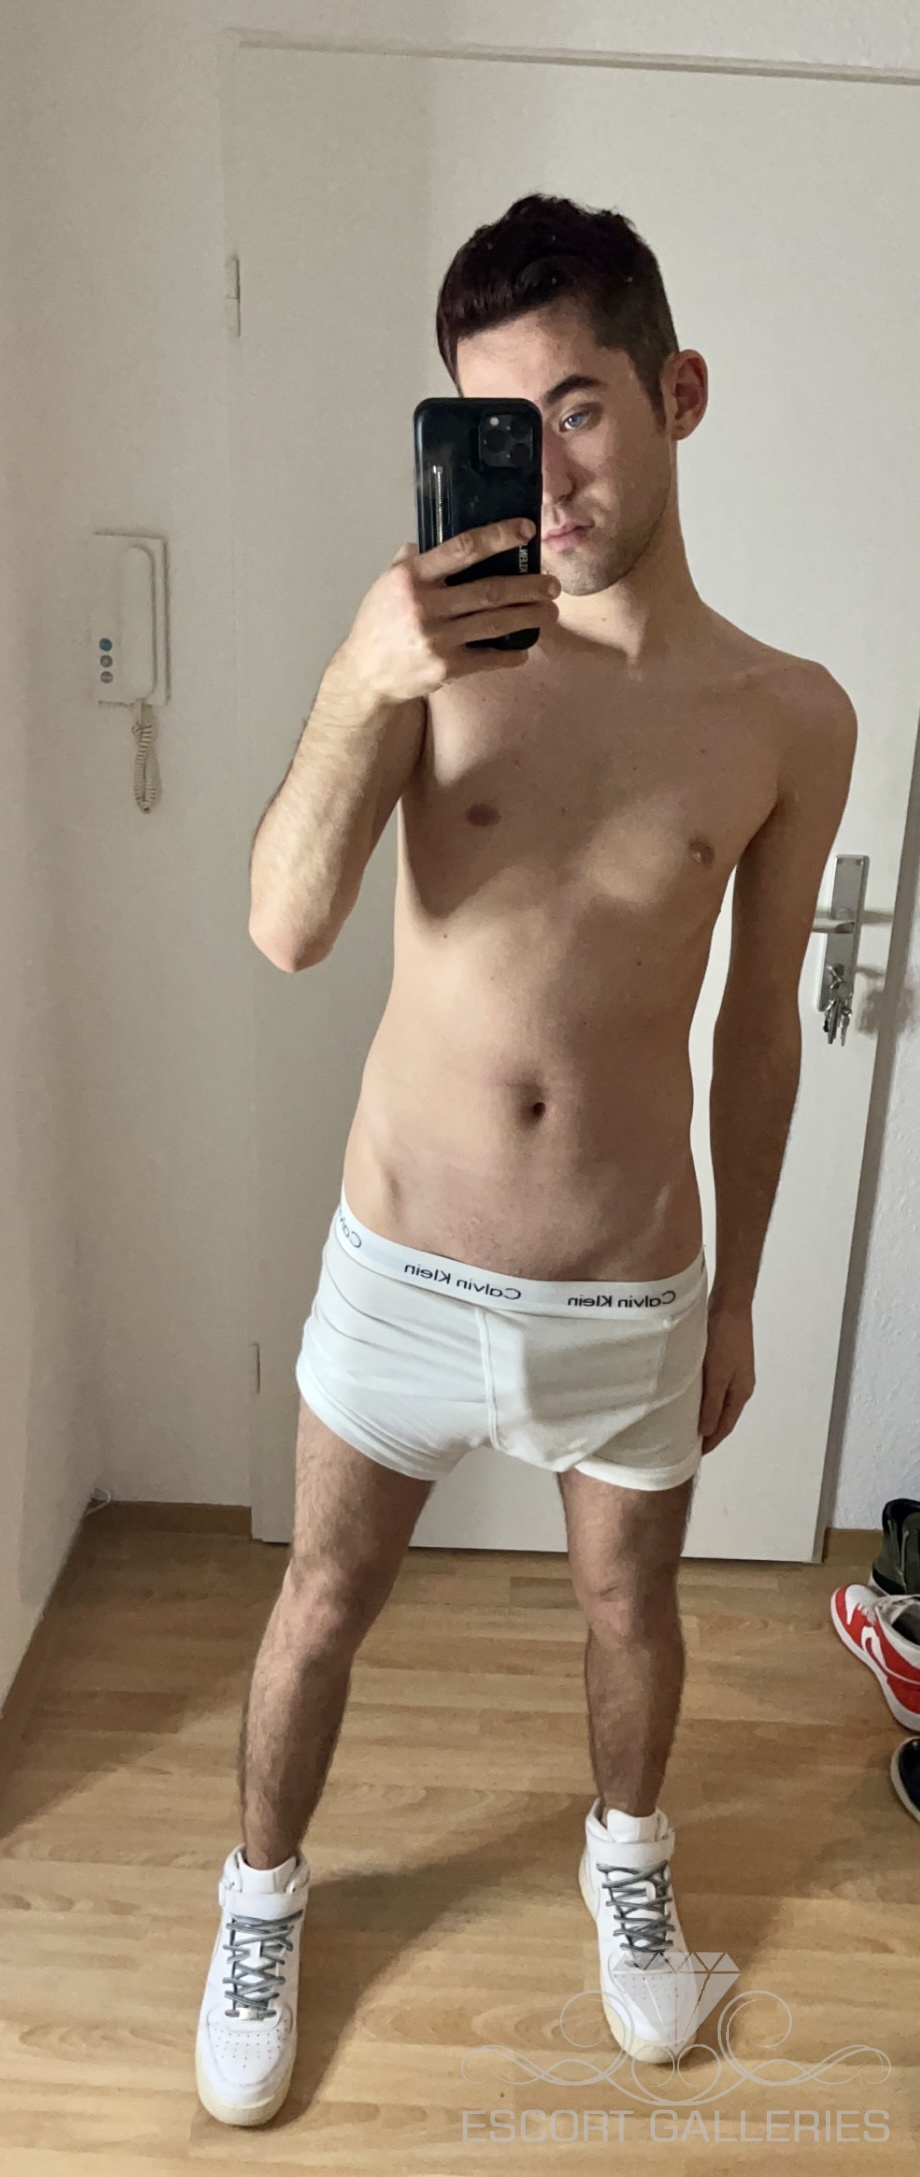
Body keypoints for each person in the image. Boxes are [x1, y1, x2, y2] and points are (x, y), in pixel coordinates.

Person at [196, 194, 857, 2125]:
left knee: (630, 1612)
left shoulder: (790, 715)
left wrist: (739, 1293)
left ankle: (631, 1877)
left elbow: (755, 1025)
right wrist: (361, 673)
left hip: (630, 1288)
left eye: (578, 409)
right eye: (501, 425)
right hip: (400, 1267)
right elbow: (284, 926)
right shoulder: (433, 653)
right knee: (321, 1599)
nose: (548, 477)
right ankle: (261, 1895)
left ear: (677, 393)